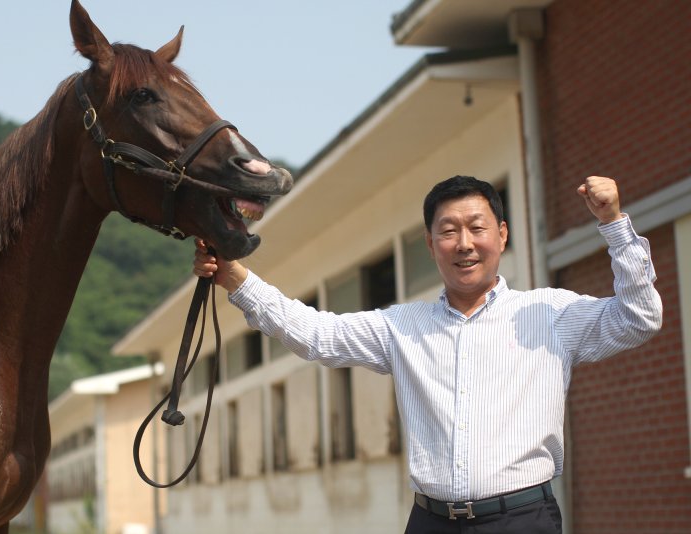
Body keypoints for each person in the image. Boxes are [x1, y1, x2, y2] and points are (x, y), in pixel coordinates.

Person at [193, 175, 662, 534]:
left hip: (521, 521)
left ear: (501, 234)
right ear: (430, 244)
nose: (464, 243)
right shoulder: (403, 326)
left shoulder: (550, 312)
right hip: (430, 521)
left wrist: (614, 224)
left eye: (476, 228)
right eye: (448, 231)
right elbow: (319, 335)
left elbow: (639, 318)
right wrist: (235, 276)